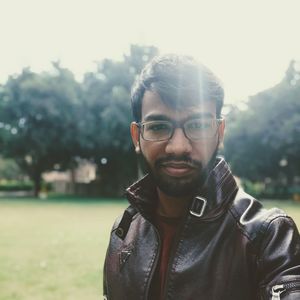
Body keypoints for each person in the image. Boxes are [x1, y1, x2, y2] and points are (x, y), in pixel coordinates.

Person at [103, 54, 300, 300]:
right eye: (158, 126)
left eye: (197, 125)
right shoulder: (124, 231)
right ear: (136, 137)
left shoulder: (266, 237)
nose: (177, 147)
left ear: (219, 132)